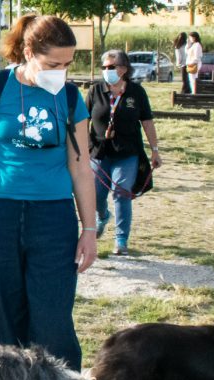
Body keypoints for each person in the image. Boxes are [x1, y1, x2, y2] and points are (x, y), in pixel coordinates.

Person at [0, 14, 95, 371]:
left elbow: (81, 167)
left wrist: (89, 230)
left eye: (67, 64)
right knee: (1, 320)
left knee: (53, 321)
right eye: (53, 64)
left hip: (54, 219)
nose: (60, 72)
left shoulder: (72, 97)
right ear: (28, 52)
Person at [88, 50, 162, 256]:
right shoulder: (95, 91)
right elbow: (83, 120)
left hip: (127, 152)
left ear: (124, 69)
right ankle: (102, 216)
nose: (106, 71)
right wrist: (80, 149)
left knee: (121, 192)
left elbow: (147, 121)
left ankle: (121, 240)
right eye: (104, 67)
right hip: (99, 152)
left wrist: (155, 150)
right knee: (95, 195)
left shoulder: (136, 92)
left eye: (111, 67)